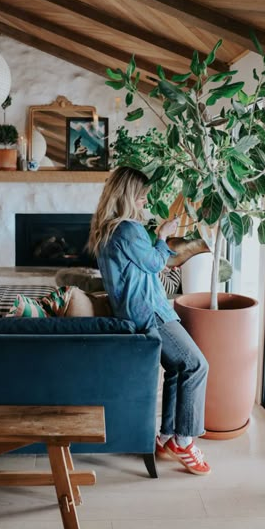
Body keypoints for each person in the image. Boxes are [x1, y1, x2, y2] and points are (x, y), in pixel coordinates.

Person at [88, 166, 211, 476]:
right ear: (128, 195)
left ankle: (167, 436)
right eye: (141, 195)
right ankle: (184, 440)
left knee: (175, 369)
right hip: (151, 311)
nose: (145, 200)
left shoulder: (105, 229)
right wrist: (162, 236)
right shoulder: (128, 229)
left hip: (134, 312)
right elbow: (156, 262)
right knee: (196, 366)